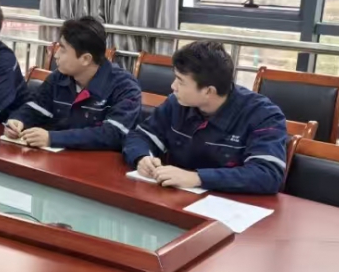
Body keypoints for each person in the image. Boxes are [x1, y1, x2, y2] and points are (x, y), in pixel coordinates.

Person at [122, 41, 288, 194]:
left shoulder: (263, 115)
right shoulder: (176, 103)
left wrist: (197, 178)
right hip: (176, 197)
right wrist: (142, 157)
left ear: (209, 91)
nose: (173, 86)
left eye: (180, 81)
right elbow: (140, 136)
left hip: (231, 206)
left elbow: (267, 174)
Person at [4, 16, 142, 150]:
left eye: (63, 49)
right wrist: (18, 121)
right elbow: (35, 108)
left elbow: (112, 134)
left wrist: (52, 138)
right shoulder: (58, 77)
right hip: (57, 158)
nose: (56, 55)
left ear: (85, 59)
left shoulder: (125, 87)